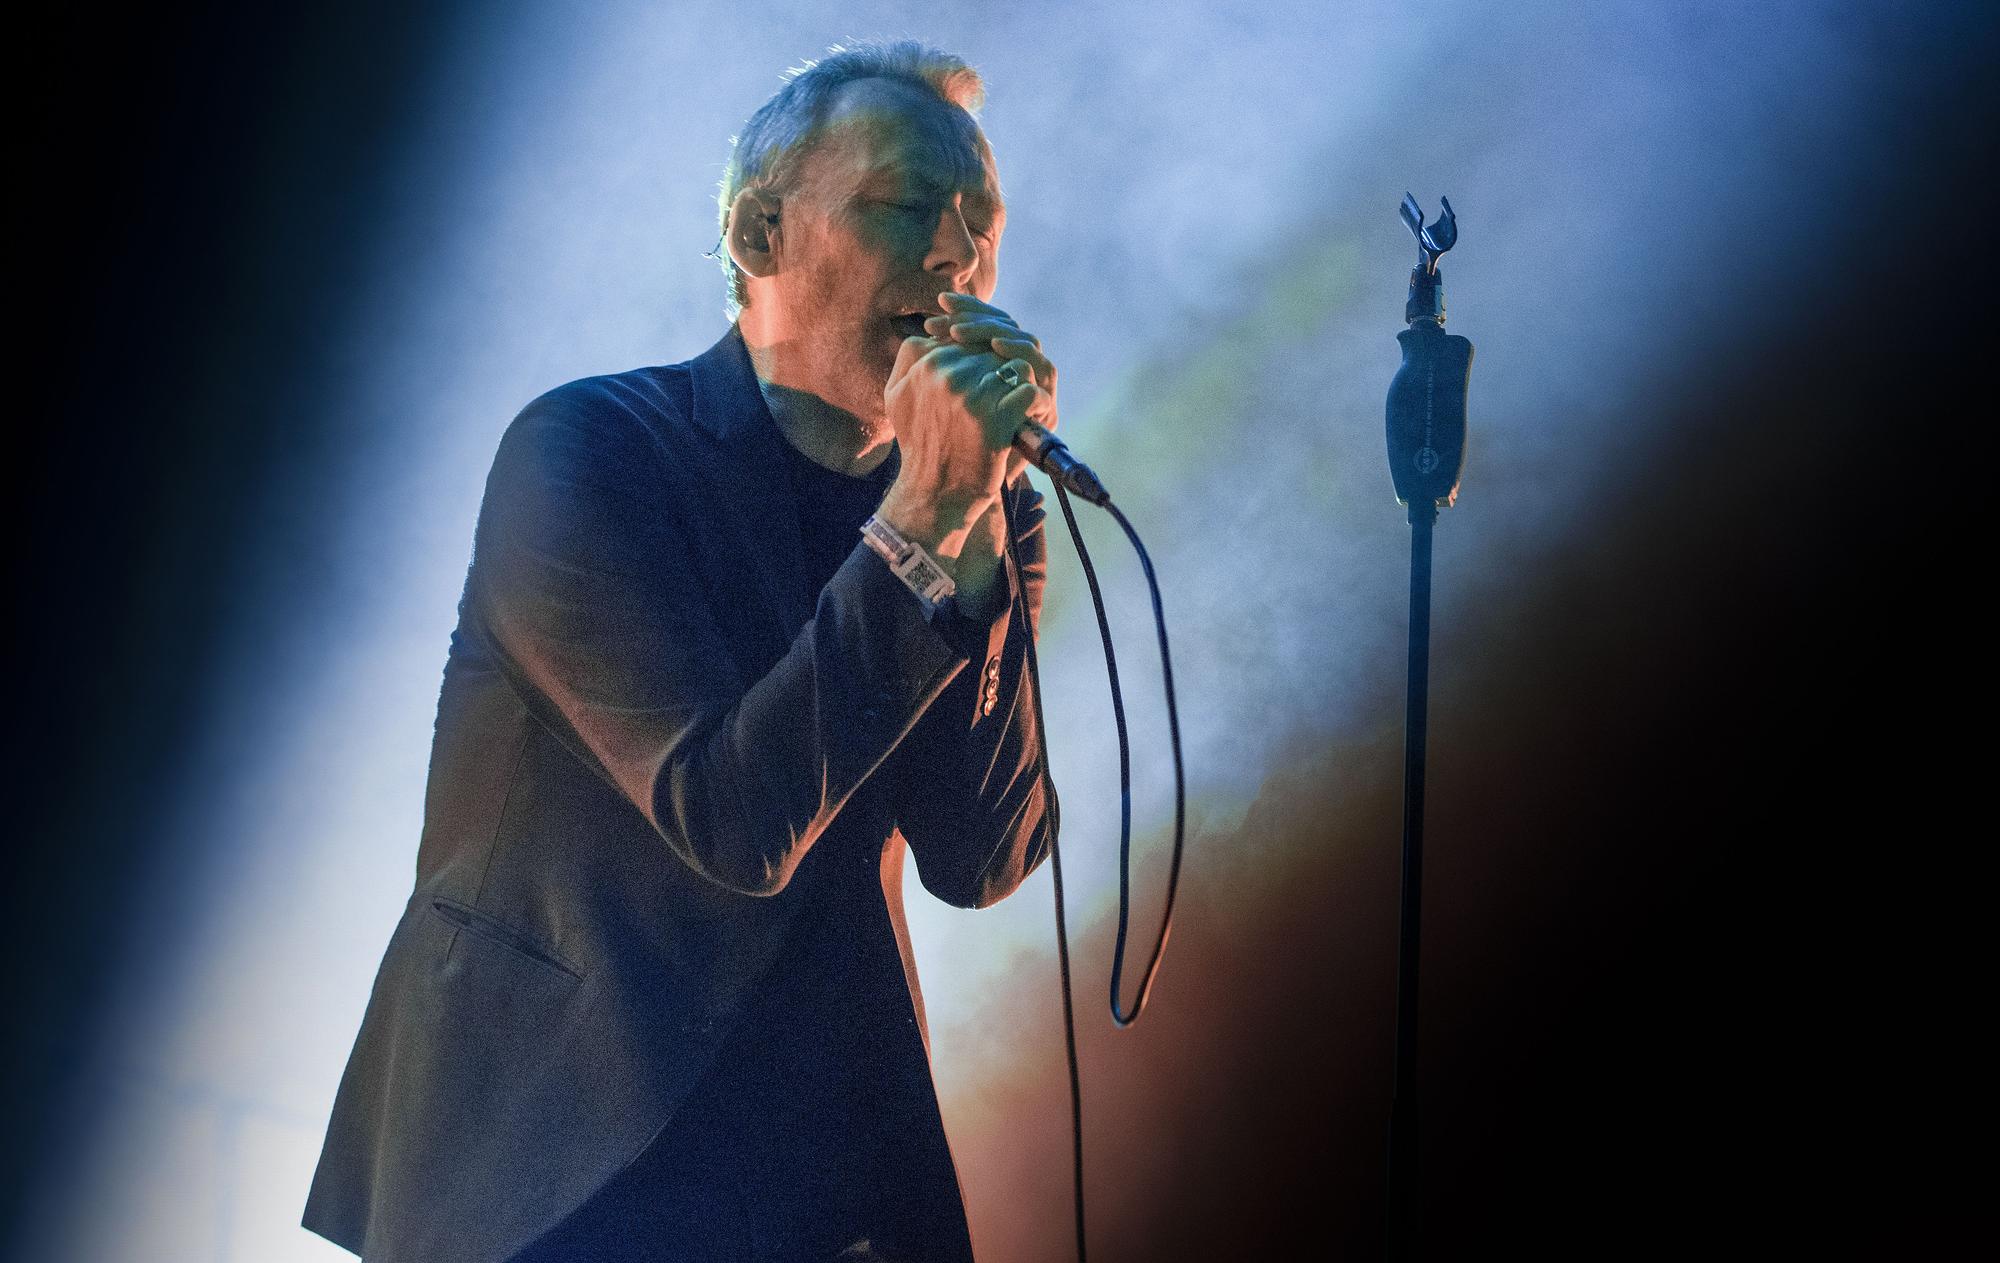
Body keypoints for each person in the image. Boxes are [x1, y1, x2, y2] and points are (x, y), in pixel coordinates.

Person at [302, 40, 1058, 1263]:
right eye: (907, 202)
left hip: (829, 1184)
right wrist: (921, 532)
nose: (954, 254)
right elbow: (729, 818)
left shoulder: (972, 503)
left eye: (980, 223)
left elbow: (985, 856)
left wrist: (969, 535)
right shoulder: (590, 453)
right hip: (557, 1172)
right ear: (761, 230)